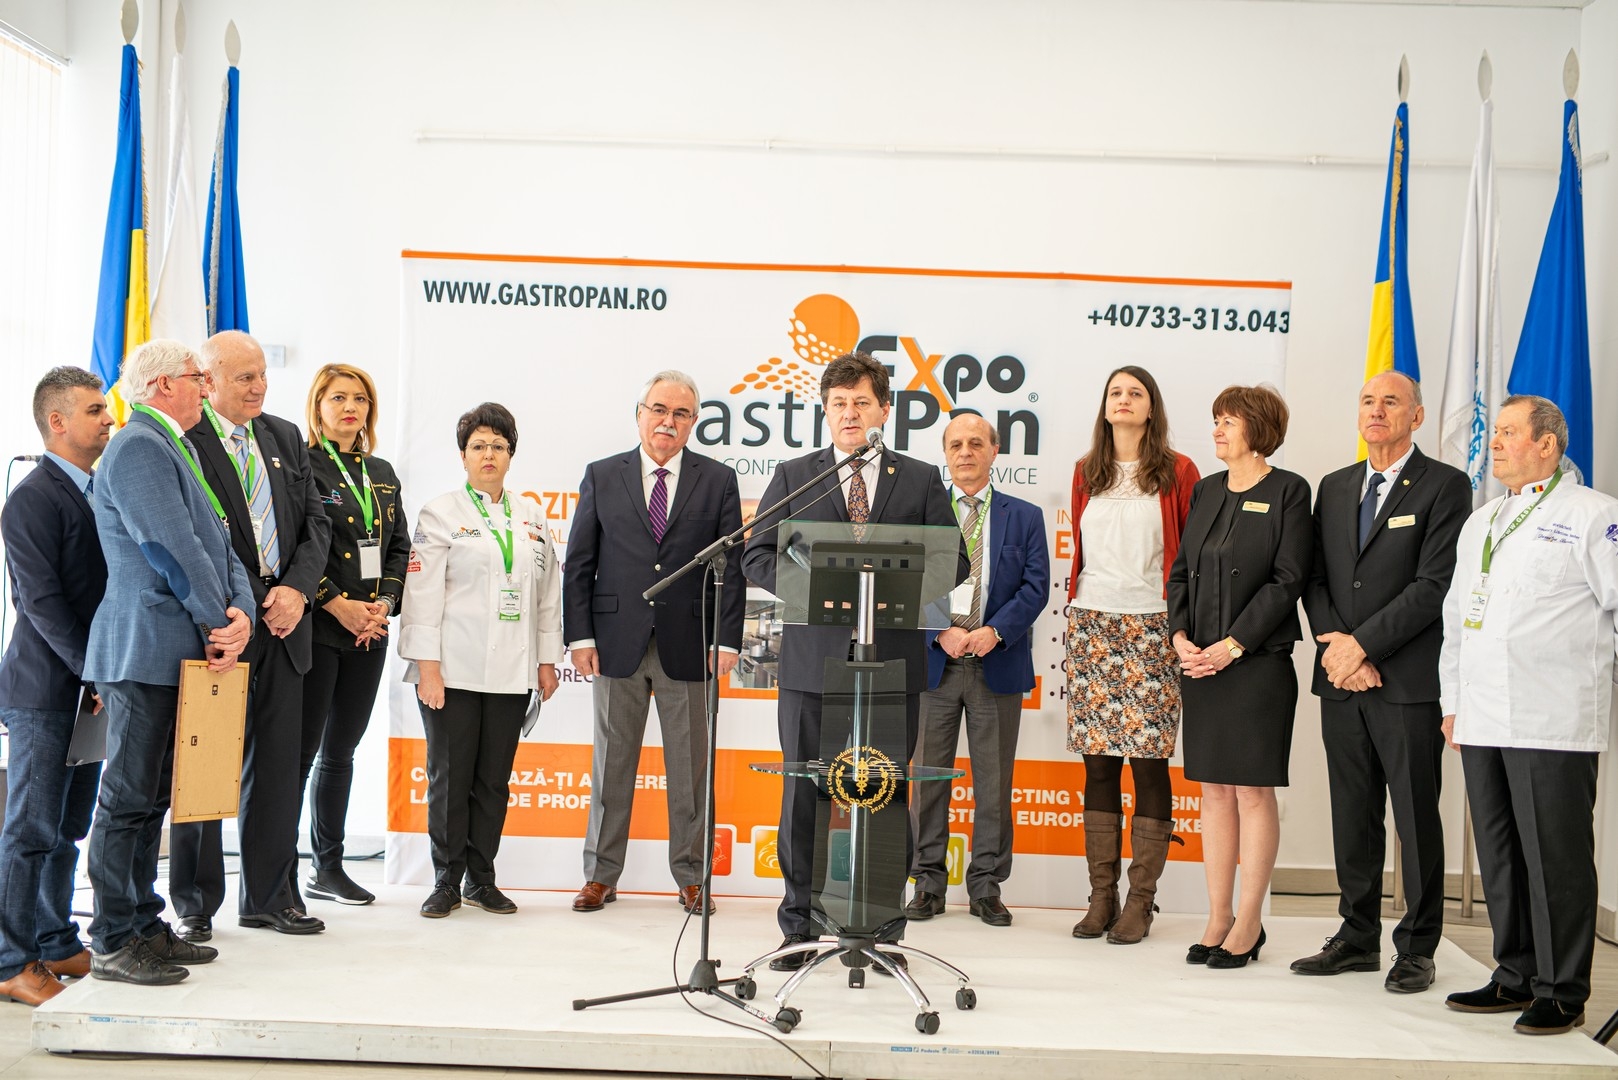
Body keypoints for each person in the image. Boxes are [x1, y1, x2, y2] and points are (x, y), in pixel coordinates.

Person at [740, 351, 968, 971]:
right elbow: (756, 555)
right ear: (825, 410)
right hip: (812, 664)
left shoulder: (919, 478)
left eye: (861, 402)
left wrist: (894, 590)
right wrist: (819, 589)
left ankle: (881, 929)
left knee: (885, 795)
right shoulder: (795, 475)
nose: (849, 413)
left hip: (891, 663)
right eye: (838, 403)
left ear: (884, 410)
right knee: (804, 795)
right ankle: (799, 927)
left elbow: (955, 561)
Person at [1439, 395, 1618, 1036]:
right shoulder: (1482, 521)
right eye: (1496, 432)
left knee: (1555, 857)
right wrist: (1453, 703)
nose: (1495, 442)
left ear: (1548, 444)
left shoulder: (1595, 514)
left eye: (1510, 432)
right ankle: (1513, 974)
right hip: (1482, 712)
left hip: (1553, 714)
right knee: (1501, 854)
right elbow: (1456, 618)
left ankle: (1562, 990)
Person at [83, 339, 254, 985]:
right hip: (143, 648)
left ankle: (143, 924)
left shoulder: (175, 446)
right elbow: (171, 547)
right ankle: (111, 941)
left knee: (154, 798)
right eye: (196, 378)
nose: (206, 389)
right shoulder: (138, 446)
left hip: (176, 648)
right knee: (128, 800)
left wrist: (241, 613)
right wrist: (218, 621)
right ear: (161, 386)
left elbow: (221, 543)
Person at [1294, 372, 1471, 993]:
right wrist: (1340, 651)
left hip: (1407, 681)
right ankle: (1356, 937)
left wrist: (1362, 646)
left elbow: (1433, 585)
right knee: (1354, 812)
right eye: (1367, 401)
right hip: (1342, 679)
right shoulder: (1335, 486)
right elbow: (1314, 579)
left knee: (1415, 816)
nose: (1376, 410)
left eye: (1390, 401)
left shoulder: (1446, 485)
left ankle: (1418, 947)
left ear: (1416, 417)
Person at [167, 331, 331, 941]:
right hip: (221, 626)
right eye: (245, 377)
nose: (260, 386)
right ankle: (194, 902)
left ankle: (268, 897)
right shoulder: (184, 440)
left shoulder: (284, 436)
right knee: (206, 766)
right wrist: (236, 607)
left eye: (262, 374)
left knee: (278, 768)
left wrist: (296, 591)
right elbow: (186, 539)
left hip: (285, 622)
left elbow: (315, 524)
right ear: (208, 381)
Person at [565, 372, 744, 916]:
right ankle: (600, 875)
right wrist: (580, 635)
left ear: (694, 422)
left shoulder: (718, 480)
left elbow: (731, 569)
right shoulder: (602, 474)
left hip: (689, 644)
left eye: (681, 413)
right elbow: (580, 563)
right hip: (614, 641)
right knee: (611, 765)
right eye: (659, 409)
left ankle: (691, 877)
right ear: (639, 413)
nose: (668, 421)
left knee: (689, 770)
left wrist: (727, 641)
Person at [1167, 384, 1310, 970]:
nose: (1217, 430)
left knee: (1251, 791)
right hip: (1199, 663)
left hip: (1256, 665)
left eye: (1228, 421)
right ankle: (1218, 916)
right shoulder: (1205, 490)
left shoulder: (1289, 491)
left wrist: (1232, 646)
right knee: (1213, 791)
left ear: (1257, 429)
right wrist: (1180, 636)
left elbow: (1288, 579)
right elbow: (1180, 571)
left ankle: (1249, 922)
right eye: (1216, 420)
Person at [399, 403, 561, 918]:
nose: (488, 454)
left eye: (498, 446)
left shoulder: (531, 516)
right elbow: (421, 594)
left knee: (493, 780)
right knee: (450, 778)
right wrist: (427, 667)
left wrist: (547, 659)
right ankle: (446, 879)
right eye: (478, 446)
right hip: (452, 669)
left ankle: (481, 878)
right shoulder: (440, 513)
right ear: (463, 455)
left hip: (513, 671)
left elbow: (548, 595)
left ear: (511, 455)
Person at [1063, 366, 1198, 944]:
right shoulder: (1085, 471)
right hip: (1092, 624)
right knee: (1098, 766)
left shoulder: (1178, 471)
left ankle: (1141, 901)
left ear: (1151, 408)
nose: (1123, 400)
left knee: (1148, 765)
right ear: (1105, 407)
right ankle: (1102, 897)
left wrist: (1183, 625)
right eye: (1115, 392)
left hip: (1153, 627)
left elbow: (1190, 555)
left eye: (1135, 393)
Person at [905, 413, 1048, 928]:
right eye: (955, 445)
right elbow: (907, 579)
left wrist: (995, 631)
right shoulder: (921, 514)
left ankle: (986, 886)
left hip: (996, 662)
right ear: (945, 454)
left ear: (994, 450)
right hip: (934, 663)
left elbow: (1035, 587)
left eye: (975, 443)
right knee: (927, 781)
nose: (965, 452)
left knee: (994, 783)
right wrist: (937, 629)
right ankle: (927, 883)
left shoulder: (1025, 516)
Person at [0, 368, 114, 1005]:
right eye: (95, 410)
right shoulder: (33, 498)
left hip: (89, 687)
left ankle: (54, 939)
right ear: (57, 422)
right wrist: (93, 670)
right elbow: (39, 603)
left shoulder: (99, 489)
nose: (108, 418)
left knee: (68, 825)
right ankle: (10, 963)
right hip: (47, 689)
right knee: (30, 829)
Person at [297, 364, 411, 906]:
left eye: (360, 399)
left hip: (369, 632)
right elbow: (291, 547)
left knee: (340, 751)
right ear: (318, 405)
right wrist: (337, 605)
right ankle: (274, 873)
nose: (351, 408)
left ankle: (328, 869)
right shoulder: (301, 465)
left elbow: (398, 548)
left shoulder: (382, 472)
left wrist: (381, 606)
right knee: (300, 755)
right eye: (339, 397)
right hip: (318, 627)